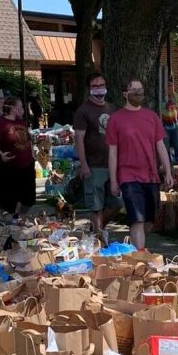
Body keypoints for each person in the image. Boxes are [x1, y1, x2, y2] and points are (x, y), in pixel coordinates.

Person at [106, 78, 173, 250]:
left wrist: (168, 171)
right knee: (137, 218)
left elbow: (160, 146)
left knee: (149, 221)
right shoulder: (116, 119)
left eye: (140, 89)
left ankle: (135, 248)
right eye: (133, 89)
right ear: (125, 94)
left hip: (150, 175)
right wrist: (114, 180)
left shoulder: (151, 117)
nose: (137, 92)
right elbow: (113, 152)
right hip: (128, 176)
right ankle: (140, 255)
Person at [74, 70, 120, 237]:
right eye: (95, 86)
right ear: (89, 88)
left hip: (113, 165)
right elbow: (79, 138)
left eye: (101, 85)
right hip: (94, 165)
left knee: (117, 203)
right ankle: (98, 238)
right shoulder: (83, 110)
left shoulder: (112, 108)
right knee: (96, 206)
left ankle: (96, 231)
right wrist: (84, 165)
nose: (99, 89)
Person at [0, 96, 36, 221]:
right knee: (8, 202)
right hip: (7, 167)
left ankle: (19, 217)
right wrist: (0, 154)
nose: (22, 109)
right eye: (21, 107)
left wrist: (33, 155)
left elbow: (28, 141)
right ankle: (7, 223)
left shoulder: (21, 122)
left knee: (29, 199)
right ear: (13, 108)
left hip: (26, 166)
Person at [161, 77, 178, 165]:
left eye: (172, 85)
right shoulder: (163, 96)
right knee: (166, 145)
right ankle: (167, 163)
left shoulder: (175, 95)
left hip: (174, 124)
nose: (171, 87)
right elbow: (168, 106)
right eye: (169, 85)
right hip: (164, 125)